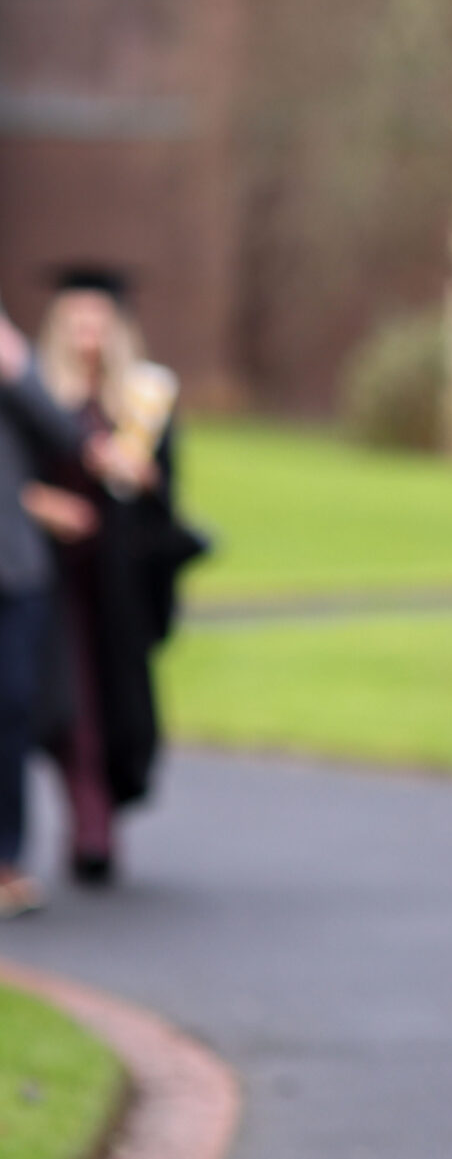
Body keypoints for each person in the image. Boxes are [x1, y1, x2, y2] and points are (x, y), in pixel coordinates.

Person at [20, 267, 201, 887]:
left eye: (97, 320)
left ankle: (105, 810)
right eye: (76, 319)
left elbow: (168, 495)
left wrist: (145, 478)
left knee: (121, 704)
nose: (87, 332)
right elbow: (14, 478)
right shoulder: (38, 395)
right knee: (71, 703)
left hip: (119, 579)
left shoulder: (142, 401)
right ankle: (89, 822)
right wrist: (47, 506)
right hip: (54, 577)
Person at [0, 295, 84, 916]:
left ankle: (7, 860)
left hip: (16, 570)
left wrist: (19, 371)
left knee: (13, 709)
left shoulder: (11, 370)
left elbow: (67, 438)